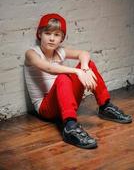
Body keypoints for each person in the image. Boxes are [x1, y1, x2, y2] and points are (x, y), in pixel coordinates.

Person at [24, 13, 132, 149]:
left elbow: (84, 53)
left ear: (62, 38)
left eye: (56, 35)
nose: (51, 38)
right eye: (47, 33)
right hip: (46, 108)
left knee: (89, 64)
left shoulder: (60, 51)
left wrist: (85, 68)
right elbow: (49, 68)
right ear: (40, 34)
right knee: (63, 77)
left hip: (65, 100)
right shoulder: (31, 54)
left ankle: (105, 106)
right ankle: (70, 127)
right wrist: (77, 71)